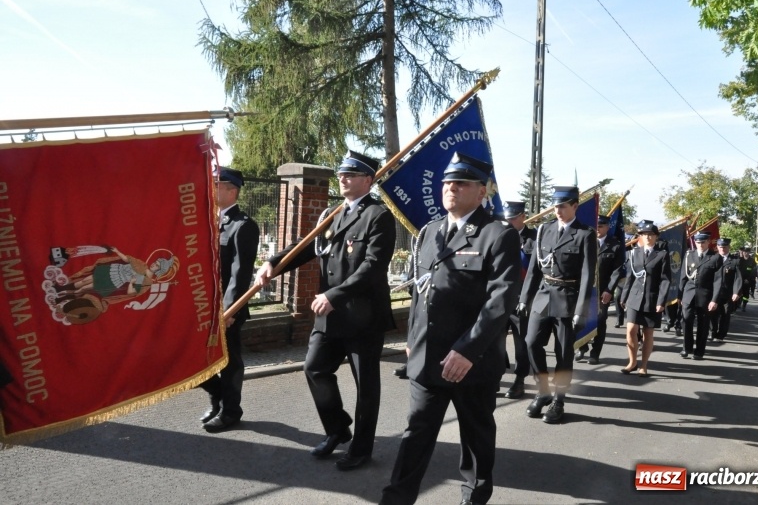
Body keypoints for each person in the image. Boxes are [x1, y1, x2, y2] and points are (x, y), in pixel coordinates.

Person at [380, 152, 520, 505]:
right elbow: (420, 290)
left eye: (461, 182)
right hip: (428, 357)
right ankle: (396, 499)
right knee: (416, 434)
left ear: (482, 191)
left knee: (475, 438)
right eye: (446, 182)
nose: (450, 187)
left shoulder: (496, 234)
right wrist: (412, 340)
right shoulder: (429, 232)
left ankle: (472, 499)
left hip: (472, 361)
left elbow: (499, 302)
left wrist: (467, 350)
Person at [257, 151, 396, 471]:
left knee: (366, 386)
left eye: (351, 174)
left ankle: (361, 449)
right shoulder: (332, 215)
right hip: (330, 315)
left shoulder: (379, 216)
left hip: (362, 316)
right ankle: (337, 429)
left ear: (368, 180)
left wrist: (335, 294)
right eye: (341, 174)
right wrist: (273, 263)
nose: (343, 178)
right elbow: (305, 246)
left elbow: (373, 267)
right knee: (315, 368)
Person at [520, 186, 597, 424]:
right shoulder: (545, 230)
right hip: (543, 296)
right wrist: (524, 298)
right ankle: (543, 391)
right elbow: (534, 269)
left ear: (575, 206)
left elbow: (587, 275)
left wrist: (581, 309)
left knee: (564, 353)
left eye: (563, 206)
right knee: (531, 342)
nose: (558, 211)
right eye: (555, 206)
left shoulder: (585, 234)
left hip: (568, 297)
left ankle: (558, 400)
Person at [199, 167, 260, 432]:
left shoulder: (243, 226)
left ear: (231, 190)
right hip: (202, 307)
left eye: (216, 184)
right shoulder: (205, 220)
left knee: (230, 361)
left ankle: (231, 411)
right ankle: (218, 397)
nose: (211, 188)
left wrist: (230, 309)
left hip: (226, 309)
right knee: (195, 359)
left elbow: (240, 273)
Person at [618, 220, 671, 376]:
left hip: (652, 299)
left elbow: (665, 280)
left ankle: (644, 365)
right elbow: (630, 277)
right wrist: (624, 296)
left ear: (656, 237)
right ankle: (632, 362)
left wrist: (662, 301)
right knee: (631, 330)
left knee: (648, 333)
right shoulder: (635, 252)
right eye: (644, 234)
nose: (647, 238)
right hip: (635, 297)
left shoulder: (662, 255)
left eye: (651, 235)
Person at [576, 214, 625, 365]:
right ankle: (581, 346)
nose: (598, 229)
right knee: (580, 319)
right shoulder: (586, 241)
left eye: (601, 226)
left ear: (608, 227)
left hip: (602, 291)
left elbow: (617, 271)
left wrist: (609, 290)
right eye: (596, 226)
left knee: (600, 321)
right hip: (583, 290)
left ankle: (595, 353)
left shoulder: (615, 245)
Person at [502, 200, 536, 398]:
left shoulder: (534, 238)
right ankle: (496, 373)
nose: (509, 221)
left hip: (522, 298)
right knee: (493, 340)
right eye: (506, 218)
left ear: (523, 216)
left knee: (521, 342)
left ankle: (519, 379)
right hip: (499, 297)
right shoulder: (498, 235)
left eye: (513, 218)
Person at [678, 232, 722, 360]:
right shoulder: (689, 255)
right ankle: (686, 348)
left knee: (703, 324)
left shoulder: (714, 257)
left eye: (703, 242)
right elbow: (683, 277)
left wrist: (714, 300)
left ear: (708, 242)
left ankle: (699, 351)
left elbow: (718, 281)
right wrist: (680, 295)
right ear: (695, 243)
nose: (700, 245)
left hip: (705, 295)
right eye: (698, 242)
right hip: (689, 293)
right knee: (686, 320)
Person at [710, 238, 743, 343]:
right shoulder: (712, 259)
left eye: (724, 247)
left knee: (725, 314)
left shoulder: (735, 261)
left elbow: (738, 278)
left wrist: (736, 292)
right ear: (717, 247)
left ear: (729, 247)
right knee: (712, 314)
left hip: (727, 293)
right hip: (713, 293)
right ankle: (713, 332)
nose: (722, 249)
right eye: (720, 247)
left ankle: (721, 335)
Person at [737, 246, 757, 312]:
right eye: (745, 252)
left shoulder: (752, 260)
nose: (746, 253)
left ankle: (744, 305)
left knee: (746, 294)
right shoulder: (740, 259)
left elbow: (753, 271)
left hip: (747, 280)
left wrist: (748, 279)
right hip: (740, 279)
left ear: (749, 253)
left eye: (747, 252)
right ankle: (738, 303)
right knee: (738, 292)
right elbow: (738, 270)